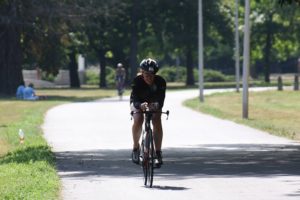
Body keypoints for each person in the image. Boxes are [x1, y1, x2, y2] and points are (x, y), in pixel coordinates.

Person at [130, 58, 166, 166]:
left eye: (151, 75)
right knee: (138, 118)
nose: (148, 77)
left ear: (155, 74)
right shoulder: (137, 81)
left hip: (154, 103)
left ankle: (158, 152)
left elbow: (161, 99)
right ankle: (136, 148)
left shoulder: (160, 82)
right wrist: (140, 105)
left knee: (156, 119)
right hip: (138, 102)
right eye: (146, 74)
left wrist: (156, 105)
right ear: (142, 73)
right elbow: (135, 99)